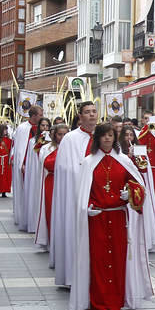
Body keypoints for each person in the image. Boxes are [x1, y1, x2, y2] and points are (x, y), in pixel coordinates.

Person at [69, 123, 155, 310]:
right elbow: (82, 192)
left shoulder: (124, 160)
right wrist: (88, 206)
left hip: (118, 218)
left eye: (111, 135)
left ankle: (115, 302)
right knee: (99, 261)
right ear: (98, 139)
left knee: (118, 260)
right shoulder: (89, 162)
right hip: (98, 218)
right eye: (104, 136)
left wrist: (130, 193)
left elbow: (138, 185)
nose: (108, 139)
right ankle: (99, 304)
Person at [52, 101, 98, 285]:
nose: (92, 115)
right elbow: (64, 168)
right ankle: (73, 277)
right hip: (76, 192)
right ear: (80, 116)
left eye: (94, 111)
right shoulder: (70, 139)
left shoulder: (103, 135)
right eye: (87, 112)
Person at [35, 123, 68, 251]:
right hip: (52, 181)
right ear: (54, 135)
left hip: (67, 182)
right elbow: (46, 164)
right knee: (51, 209)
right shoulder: (47, 148)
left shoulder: (72, 147)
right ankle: (51, 240)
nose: (63, 137)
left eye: (65, 134)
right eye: (60, 134)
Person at [12, 107, 43, 231]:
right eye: (40, 114)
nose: (42, 116)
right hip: (25, 165)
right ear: (34, 116)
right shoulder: (22, 128)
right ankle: (24, 217)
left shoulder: (42, 129)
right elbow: (20, 148)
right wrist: (22, 164)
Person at [26, 117, 51, 231]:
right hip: (35, 171)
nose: (45, 128)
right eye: (42, 126)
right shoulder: (32, 141)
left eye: (47, 126)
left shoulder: (52, 142)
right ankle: (34, 223)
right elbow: (31, 158)